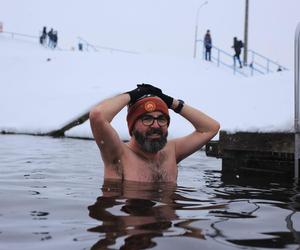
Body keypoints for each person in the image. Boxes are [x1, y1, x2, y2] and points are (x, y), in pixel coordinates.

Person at [89, 84, 220, 183]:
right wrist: (132, 95)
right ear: (132, 125)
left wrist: (172, 103)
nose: (156, 125)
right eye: (147, 119)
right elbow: (97, 115)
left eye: (161, 119)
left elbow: (211, 128)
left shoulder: (172, 151)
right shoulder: (118, 155)